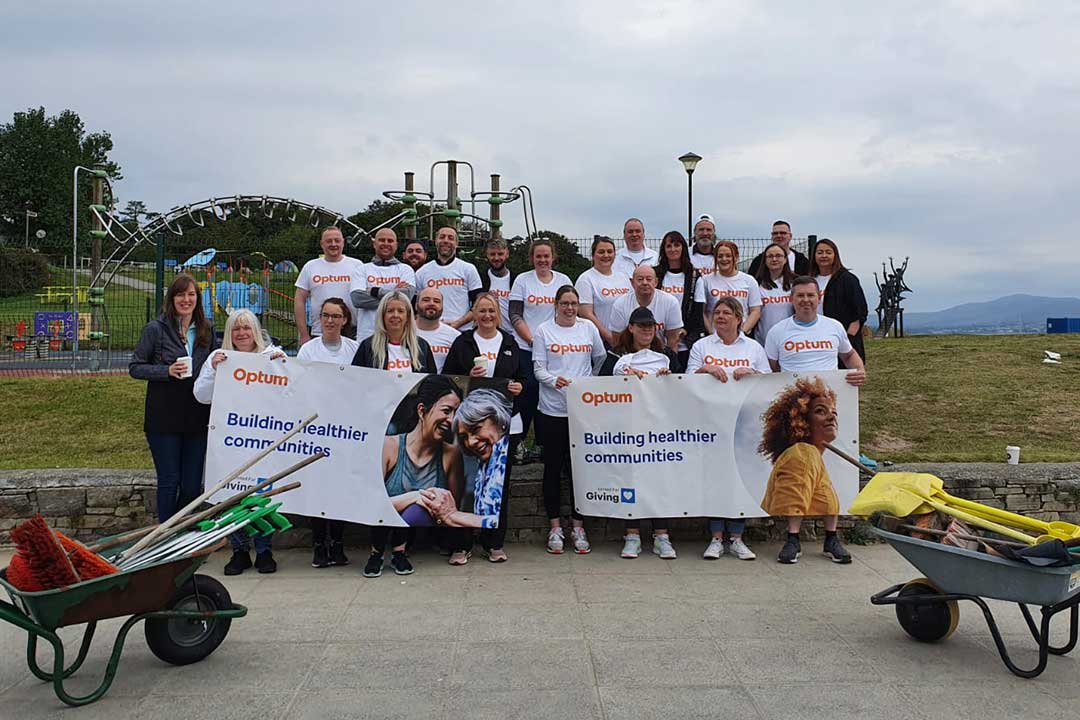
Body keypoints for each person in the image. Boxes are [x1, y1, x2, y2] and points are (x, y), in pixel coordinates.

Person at [763, 276, 867, 565]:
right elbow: (771, 369)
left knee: (829, 474)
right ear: (791, 299)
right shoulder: (778, 331)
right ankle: (793, 538)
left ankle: (831, 537)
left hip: (828, 407)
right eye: (800, 296)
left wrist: (859, 370)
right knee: (800, 471)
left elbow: (849, 356)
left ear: (818, 296)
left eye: (810, 295)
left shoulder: (833, 327)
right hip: (800, 413)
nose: (806, 300)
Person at [193, 309, 285, 575]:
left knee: (262, 495)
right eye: (236, 329)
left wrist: (283, 366)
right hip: (230, 440)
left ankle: (265, 550)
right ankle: (239, 550)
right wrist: (212, 369)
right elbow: (201, 396)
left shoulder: (271, 356)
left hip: (262, 437)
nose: (242, 334)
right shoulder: (219, 358)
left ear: (255, 331)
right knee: (232, 496)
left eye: (246, 328)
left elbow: (288, 392)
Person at [686, 297, 772, 561]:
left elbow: (768, 381)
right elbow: (686, 380)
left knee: (739, 478)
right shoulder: (701, 345)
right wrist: (705, 369)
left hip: (744, 424)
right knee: (715, 479)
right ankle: (715, 538)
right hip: (711, 422)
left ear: (738, 318)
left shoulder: (753, 347)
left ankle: (736, 537)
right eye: (717, 312)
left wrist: (752, 374)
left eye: (726, 313)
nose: (720, 316)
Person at [442, 292, 525, 563]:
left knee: (498, 485)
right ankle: (461, 545)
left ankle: (493, 543)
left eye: (491, 311)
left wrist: (518, 387)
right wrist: (468, 376)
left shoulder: (510, 342)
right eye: (481, 311)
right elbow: (448, 379)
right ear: (473, 314)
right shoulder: (463, 342)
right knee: (465, 484)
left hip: (503, 426)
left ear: (497, 314)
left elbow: (523, 379)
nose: (487, 316)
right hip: (469, 427)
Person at [130, 274, 218, 523]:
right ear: (172, 298)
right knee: (169, 481)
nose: (186, 299)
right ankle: (165, 535)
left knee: (192, 485)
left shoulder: (206, 329)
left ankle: (179, 529)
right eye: (181, 294)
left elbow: (216, 362)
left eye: (191, 294)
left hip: (197, 416)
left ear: (197, 299)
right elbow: (135, 367)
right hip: (164, 417)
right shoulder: (155, 330)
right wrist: (165, 371)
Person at [597, 307, 680, 560]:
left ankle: (661, 536)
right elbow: (601, 386)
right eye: (641, 325)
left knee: (659, 480)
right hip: (627, 428)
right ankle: (631, 534)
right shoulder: (616, 356)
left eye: (651, 325)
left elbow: (681, 387)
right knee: (629, 480)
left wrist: (668, 379)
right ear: (630, 327)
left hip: (658, 430)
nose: (646, 330)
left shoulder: (666, 354)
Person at [532, 285, 606, 554]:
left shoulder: (588, 328)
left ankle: (578, 526)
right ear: (556, 304)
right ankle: (554, 527)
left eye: (574, 303)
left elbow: (599, 358)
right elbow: (538, 368)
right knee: (552, 469)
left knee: (580, 471)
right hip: (552, 410)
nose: (570, 308)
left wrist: (588, 386)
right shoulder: (543, 330)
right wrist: (555, 381)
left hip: (582, 411)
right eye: (565, 303)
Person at [373, 375, 465, 577]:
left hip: (429, 526)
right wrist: (415, 496)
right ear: (422, 410)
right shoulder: (389, 446)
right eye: (447, 411)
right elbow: (372, 503)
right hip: (382, 528)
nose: (452, 420)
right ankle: (376, 554)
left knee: (413, 510)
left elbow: (454, 510)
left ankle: (400, 554)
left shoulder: (451, 454)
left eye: (457, 413)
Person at [296, 297, 360, 568]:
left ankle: (337, 541)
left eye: (336, 316)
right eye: (325, 315)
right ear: (319, 319)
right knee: (318, 487)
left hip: (346, 427)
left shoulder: (354, 349)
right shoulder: (308, 351)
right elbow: (301, 386)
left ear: (345, 320)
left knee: (341, 488)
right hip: (317, 427)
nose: (330, 321)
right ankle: (319, 543)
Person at [759, 377, 849, 565]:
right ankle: (793, 540)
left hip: (812, 456)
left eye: (833, 412)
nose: (832, 417)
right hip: (806, 454)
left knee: (827, 495)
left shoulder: (812, 454)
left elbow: (827, 501)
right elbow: (795, 497)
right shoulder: (802, 452)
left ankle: (829, 539)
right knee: (801, 492)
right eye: (820, 412)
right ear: (801, 421)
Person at [508, 238, 572, 439]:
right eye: (538, 256)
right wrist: (532, 341)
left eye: (546, 256)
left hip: (556, 351)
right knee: (528, 395)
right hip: (527, 348)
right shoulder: (522, 280)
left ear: (553, 257)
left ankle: (545, 444)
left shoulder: (563, 281)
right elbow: (515, 315)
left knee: (553, 395)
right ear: (531, 258)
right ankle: (520, 442)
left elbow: (570, 312)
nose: (543, 260)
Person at [294, 226, 363, 344]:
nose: (333, 244)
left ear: (343, 242)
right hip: (320, 331)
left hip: (352, 331)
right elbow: (299, 300)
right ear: (322, 244)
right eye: (329, 241)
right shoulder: (310, 266)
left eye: (337, 240)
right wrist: (304, 334)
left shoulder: (357, 266)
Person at [349, 227, 416, 342]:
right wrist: (395, 298)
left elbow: (407, 297)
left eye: (390, 241)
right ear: (374, 244)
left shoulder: (405, 269)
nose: (386, 244)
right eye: (382, 240)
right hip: (367, 336)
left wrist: (376, 292)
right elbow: (357, 299)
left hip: (398, 338)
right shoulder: (362, 269)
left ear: (396, 244)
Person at [811, 238, 869, 364]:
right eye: (820, 252)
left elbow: (859, 313)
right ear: (814, 256)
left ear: (835, 255)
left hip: (841, 339)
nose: (824, 256)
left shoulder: (847, 279)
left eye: (828, 252)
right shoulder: (809, 279)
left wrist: (849, 338)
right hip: (814, 339)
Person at [414, 226, 482, 329]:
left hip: (462, 331)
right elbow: (415, 306)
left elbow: (478, 304)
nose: (446, 241)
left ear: (456, 243)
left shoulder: (468, 269)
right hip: (431, 331)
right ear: (436, 241)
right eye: (442, 237)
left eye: (450, 238)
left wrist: (458, 323)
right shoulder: (421, 272)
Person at [351, 290, 437, 373]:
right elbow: (356, 380)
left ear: (407, 316)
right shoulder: (368, 346)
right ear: (382, 315)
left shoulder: (422, 346)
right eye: (390, 311)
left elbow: (432, 382)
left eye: (400, 311)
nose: (395, 315)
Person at [655, 230, 704, 365]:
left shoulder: (694, 276)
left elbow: (698, 312)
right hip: (656, 342)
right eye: (668, 246)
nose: (673, 249)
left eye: (677, 245)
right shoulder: (655, 274)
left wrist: (684, 330)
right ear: (663, 250)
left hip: (683, 343)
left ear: (683, 247)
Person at [694, 240, 762, 337]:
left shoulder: (749, 280)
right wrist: (711, 332)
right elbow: (702, 312)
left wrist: (742, 332)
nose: (724, 259)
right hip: (715, 336)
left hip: (741, 336)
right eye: (720, 256)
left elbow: (755, 310)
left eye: (728, 255)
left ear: (736, 257)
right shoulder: (705, 280)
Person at [608, 265, 683, 352]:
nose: (644, 283)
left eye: (649, 279)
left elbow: (673, 341)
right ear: (632, 283)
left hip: (660, 354)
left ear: (656, 282)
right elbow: (617, 341)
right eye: (640, 279)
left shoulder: (671, 302)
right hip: (629, 355)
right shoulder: (620, 305)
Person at [576, 236, 632, 348]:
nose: (606, 255)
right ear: (593, 255)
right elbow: (586, 314)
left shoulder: (623, 277)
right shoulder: (586, 279)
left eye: (610, 252)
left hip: (627, 339)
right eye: (601, 252)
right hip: (603, 342)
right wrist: (609, 336)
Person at [752, 242, 796, 346]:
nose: (774, 259)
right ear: (765, 260)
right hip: (763, 341)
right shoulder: (755, 283)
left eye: (778, 256)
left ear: (785, 259)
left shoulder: (796, 282)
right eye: (770, 256)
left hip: (791, 341)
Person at [414, 287, 461, 373]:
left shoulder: (455, 336)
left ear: (442, 307)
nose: (431, 304)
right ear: (416, 305)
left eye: (436, 301)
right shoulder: (404, 332)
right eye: (426, 300)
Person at [479, 237, 517, 335]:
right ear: (487, 255)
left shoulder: (517, 280)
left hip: (513, 334)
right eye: (492, 254)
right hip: (488, 334)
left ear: (507, 254)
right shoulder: (480, 279)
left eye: (500, 254)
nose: (496, 258)